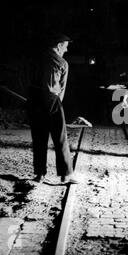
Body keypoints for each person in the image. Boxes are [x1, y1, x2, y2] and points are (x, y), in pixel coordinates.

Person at [27, 33, 79, 184]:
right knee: (60, 138)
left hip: (35, 99)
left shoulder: (37, 59)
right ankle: (65, 175)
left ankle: (39, 174)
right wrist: (56, 105)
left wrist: (32, 99)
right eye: (66, 46)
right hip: (51, 99)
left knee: (38, 138)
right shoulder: (62, 63)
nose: (67, 50)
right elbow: (61, 88)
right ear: (59, 45)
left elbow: (28, 79)